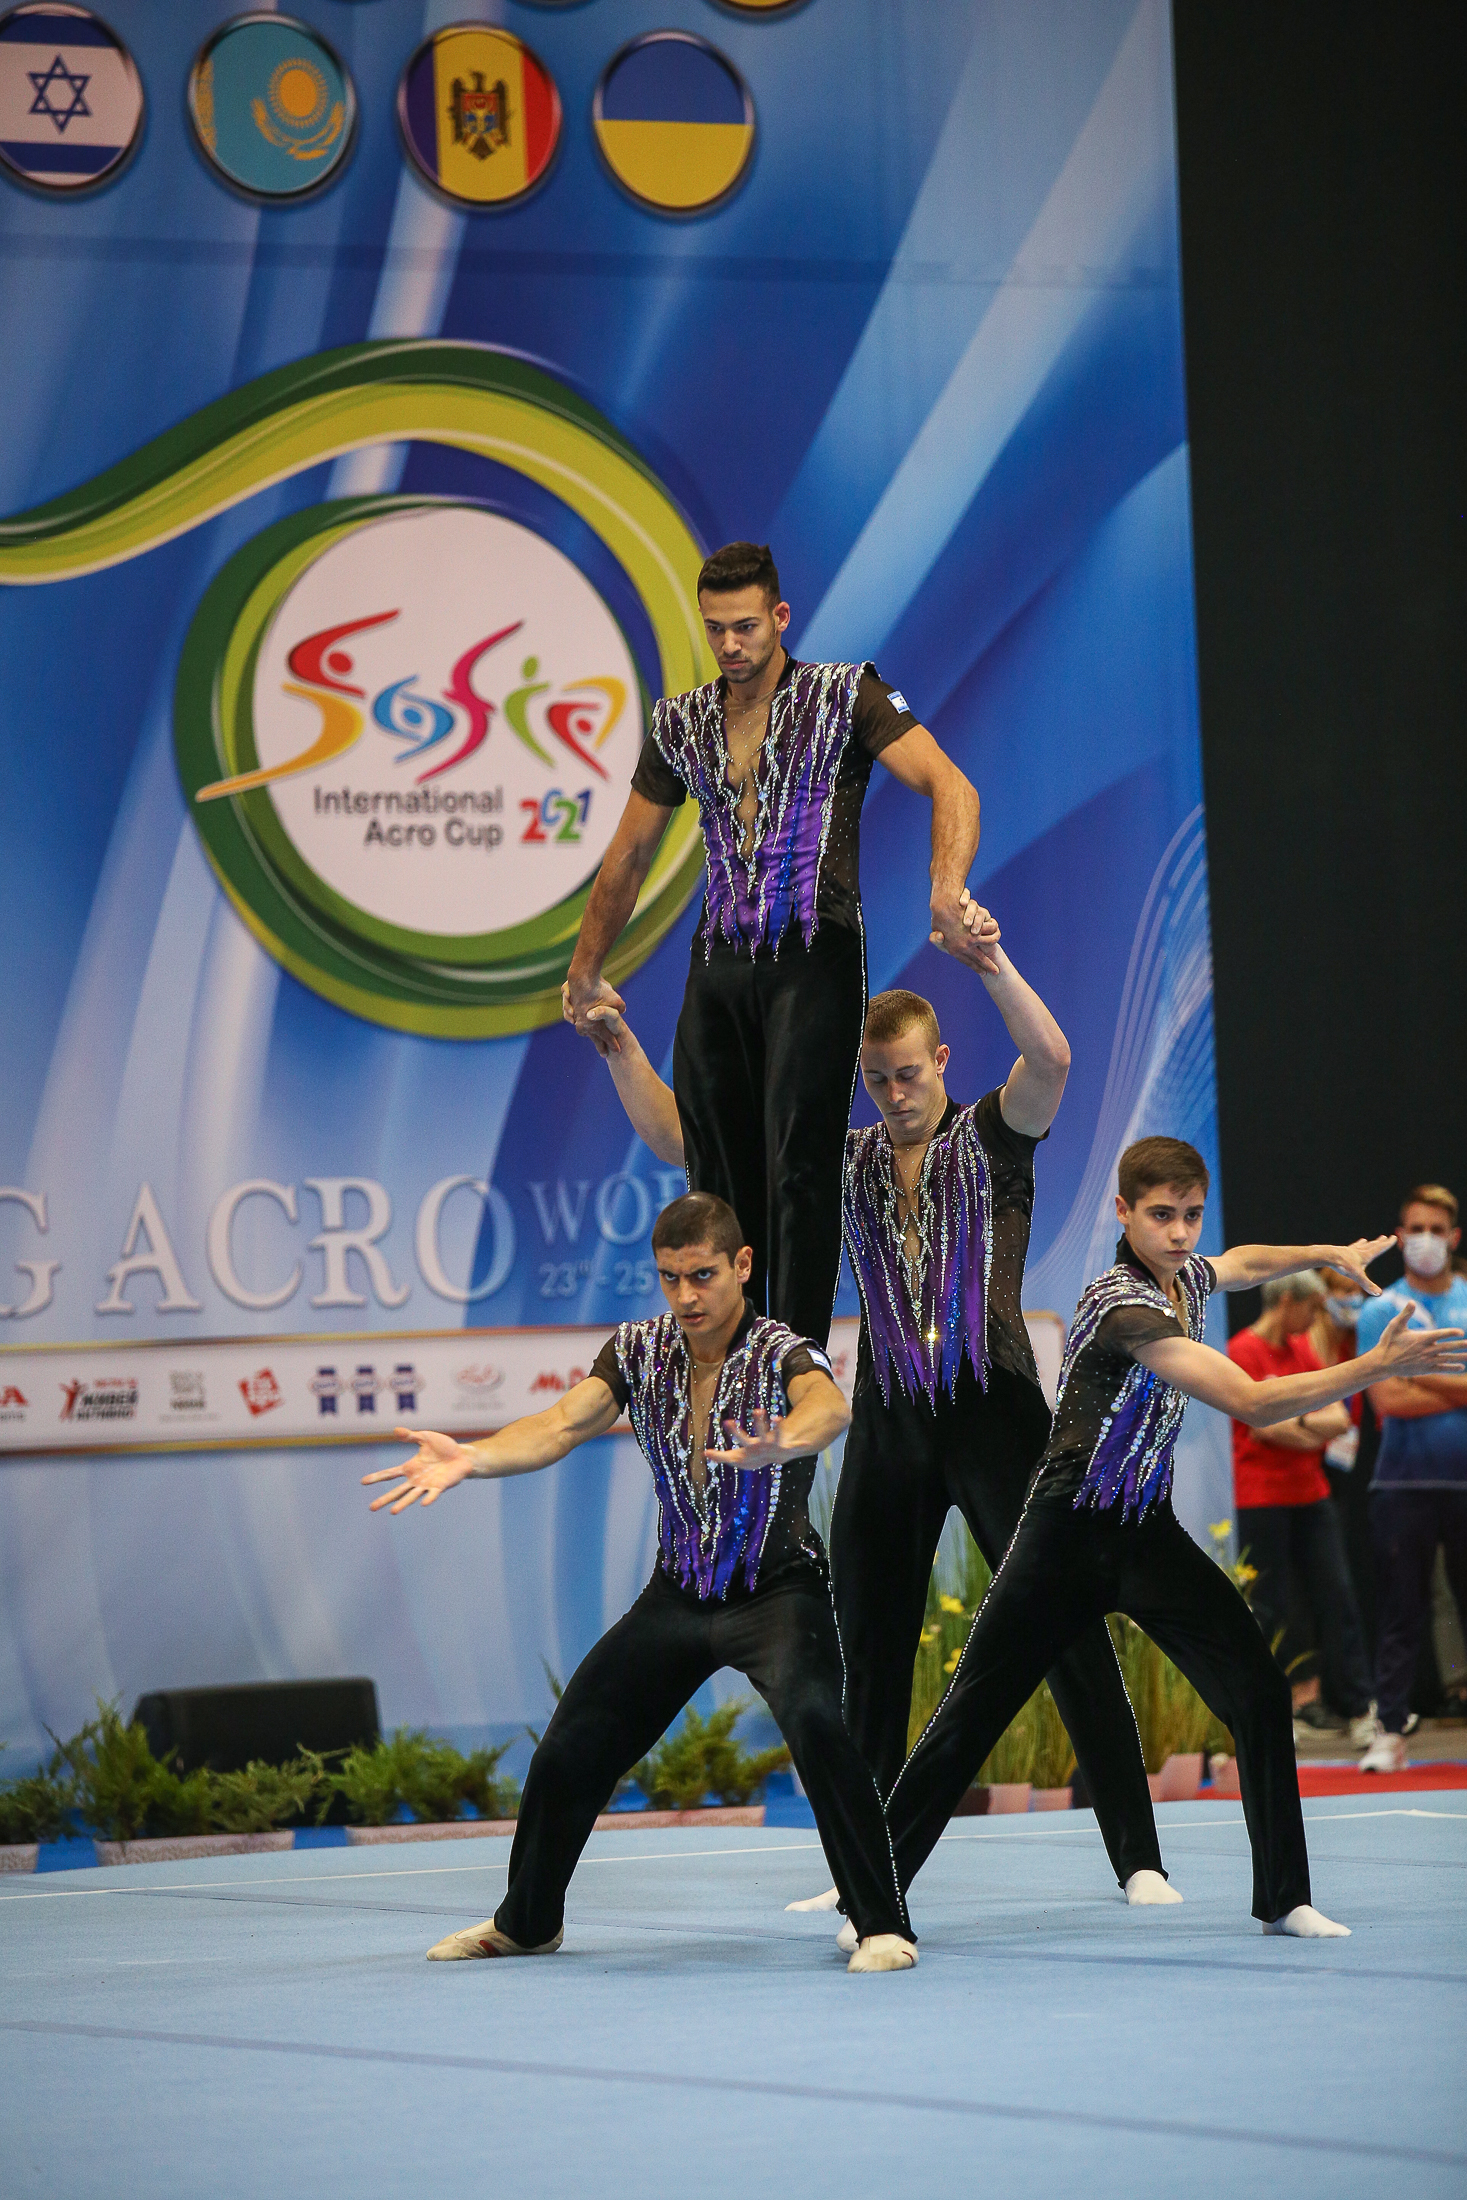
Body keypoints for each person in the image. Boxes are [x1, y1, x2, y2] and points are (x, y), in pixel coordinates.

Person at [579, 915, 1176, 1931]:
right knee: (867, 1646)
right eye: (876, 1080)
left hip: (995, 1415)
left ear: (939, 1062)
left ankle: (1137, 1855)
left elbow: (1052, 1059)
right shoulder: (841, 1159)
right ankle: (865, 1866)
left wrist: (992, 961)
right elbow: (689, 1140)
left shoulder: (993, 1137)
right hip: (892, 1423)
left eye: (907, 1074)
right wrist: (621, 1048)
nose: (893, 1094)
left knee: (1063, 1626)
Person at [874, 1137, 1466, 1939]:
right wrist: (1373, 1367)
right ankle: (870, 1899)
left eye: (1191, 1214)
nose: (1181, 1232)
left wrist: (1323, 1253)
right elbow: (1251, 1401)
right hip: (1063, 1535)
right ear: (1122, 1212)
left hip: (1143, 1531)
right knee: (970, 1716)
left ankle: (1283, 1897)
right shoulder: (1120, 1305)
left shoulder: (1182, 1274)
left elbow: (1241, 1262)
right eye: (1162, 1216)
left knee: (1257, 1692)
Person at [362, 1192, 918, 1975]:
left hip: (776, 1590)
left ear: (741, 1265)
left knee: (817, 1725)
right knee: (569, 1748)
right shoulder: (637, 1349)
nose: (686, 1296)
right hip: (677, 1596)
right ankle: (527, 1922)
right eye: (670, 1278)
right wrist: (474, 1457)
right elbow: (562, 1423)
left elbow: (828, 1409)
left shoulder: (780, 1349)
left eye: (702, 1276)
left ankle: (880, 1924)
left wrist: (783, 1442)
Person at [562, 539, 988, 1346]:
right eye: (716, 629)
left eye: (746, 626)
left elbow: (950, 784)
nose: (730, 644)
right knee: (714, 1177)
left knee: (799, 1163)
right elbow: (627, 854)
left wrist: (944, 887)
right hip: (718, 966)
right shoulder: (680, 723)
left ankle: (792, 1364)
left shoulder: (847, 693)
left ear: (780, 616)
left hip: (814, 956)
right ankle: (731, 1361)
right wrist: (584, 970)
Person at [1228, 1274, 1376, 1747]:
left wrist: (1295, 1420)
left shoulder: (1300, 1351)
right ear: (1287, 1301)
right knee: (1266, 1607)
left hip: (1311, 1492)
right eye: (1312, 1308)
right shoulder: (1241, 1351)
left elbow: (1339, 1416)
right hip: (1260, 1497)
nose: (1315, 1319)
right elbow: (1259, 1425)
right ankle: (1274, 1712)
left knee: (1338, 1596)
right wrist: (1308, 1426)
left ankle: (1359, 1707)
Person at [1355, 1185, 1467, 1773]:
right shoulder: (1381, 1309)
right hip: (1401, 1485)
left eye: (1436, 1228)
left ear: (1454, 1236)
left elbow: (1404, 1386)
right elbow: (1387, 1400)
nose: (1425, 1238)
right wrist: (1455, 1386)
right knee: (1401, 1611)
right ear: (1400, 1237)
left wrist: (1415, 1371)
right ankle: (1390, 1730)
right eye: (1415, 1228)